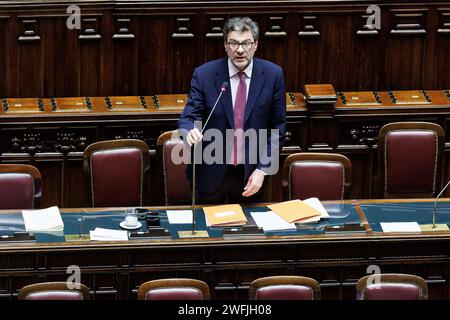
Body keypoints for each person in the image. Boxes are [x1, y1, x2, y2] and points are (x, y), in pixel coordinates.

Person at [178, 16, 286, 204]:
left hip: (251, 175)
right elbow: (189, 117)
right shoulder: (204, 75)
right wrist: (189, 132)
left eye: (246, 43)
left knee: (246, 231)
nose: (240, 50)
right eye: (234, 43)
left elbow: (277, 129)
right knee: (207, 229)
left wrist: (262, 169)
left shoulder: (273, 75)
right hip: (209, 173)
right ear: (226, 45)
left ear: (256, 44)